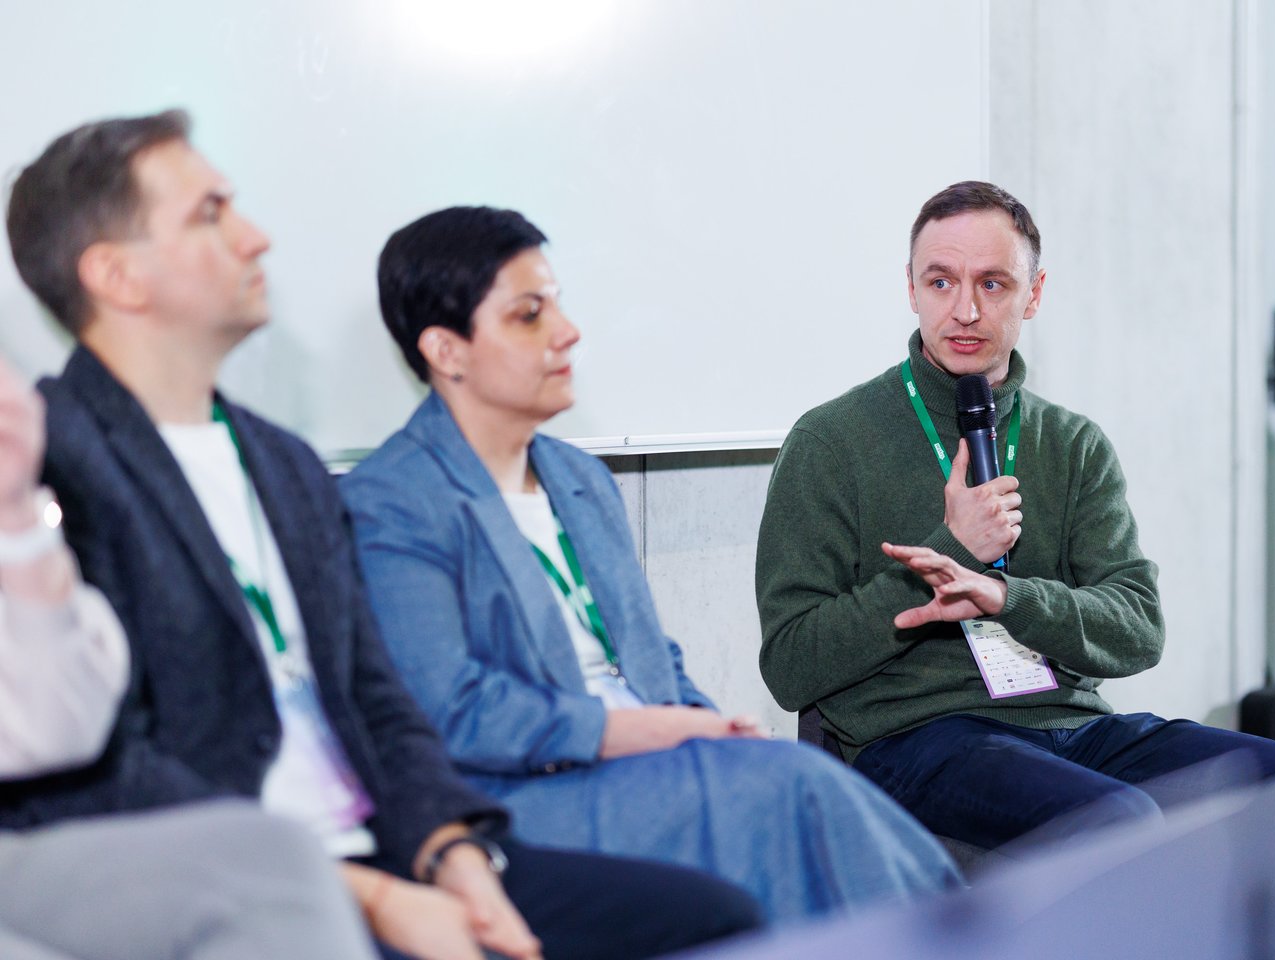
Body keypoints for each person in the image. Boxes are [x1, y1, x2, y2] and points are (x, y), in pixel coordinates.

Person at [4, 110, 762, 960]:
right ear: (117, 275)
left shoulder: (282, 462)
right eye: (210, 213)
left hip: (389, 846)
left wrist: (454, 855)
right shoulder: (46, 462)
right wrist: (363, 895)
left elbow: (378, 698)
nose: (255, 237)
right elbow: (101, 760)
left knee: (714, 918)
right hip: (234, 881)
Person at [339, 206, 962, 922]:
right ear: (447, 351)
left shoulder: (578, 477)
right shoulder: (391, 501)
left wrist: (702, 722)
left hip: (653, 759)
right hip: (531, 790)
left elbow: (649, 654)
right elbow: (450, 710)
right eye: (529, 315)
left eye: (558, 304)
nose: (567, 331)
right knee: (799, 794)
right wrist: (655, 733)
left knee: (793, 786)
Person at [754, 181, 1275, 852]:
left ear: (1035, 293)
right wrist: (951, 550)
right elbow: (790, 664)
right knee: (1119, 821)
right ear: (911, 289)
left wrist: (1009, 598)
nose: (965, 310)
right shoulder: (831, 442)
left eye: (993, 284)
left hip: (1073, 726)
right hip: (918, 736)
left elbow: (1138, 627)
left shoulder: (1073, 444)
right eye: (941, 282)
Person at [0, 354, 381, 960]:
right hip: (90, 837)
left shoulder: (284, 458)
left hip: (338, 836)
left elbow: (60, 729)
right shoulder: (83, 447)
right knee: (274, 868)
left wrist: (16, 516)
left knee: (273, 863)